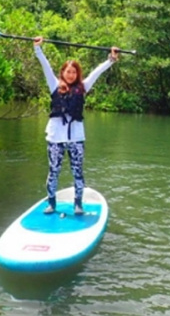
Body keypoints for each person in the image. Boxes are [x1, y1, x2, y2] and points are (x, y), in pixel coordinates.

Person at [34, 36, 119, 215]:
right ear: (63, 73)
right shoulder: (54, 85)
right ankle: (51, 203)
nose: (71, 74)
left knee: (77, 172)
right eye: (68, 71)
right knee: (53, 171)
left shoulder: (83, 87)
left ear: (77, 74)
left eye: (74, 72)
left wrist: (111, 60)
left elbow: (96, 72)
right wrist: (38, 49)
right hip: (55, 138)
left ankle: (78, 203)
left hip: (76, 138)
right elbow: (45, 66)